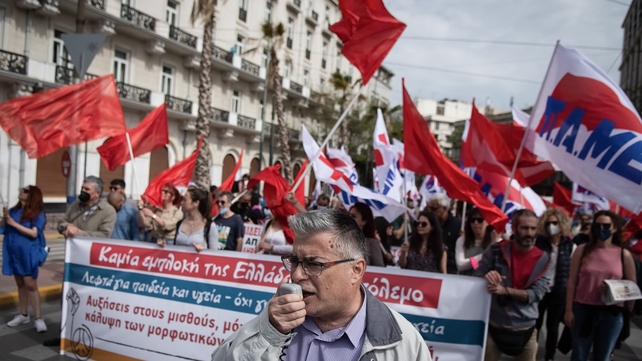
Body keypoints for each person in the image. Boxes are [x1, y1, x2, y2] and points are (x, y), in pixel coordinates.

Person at [210, 209, 431, 360]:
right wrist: (269, 332)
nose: (296, 275)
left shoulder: (403, 342)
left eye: (313, 264)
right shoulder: (277, 319)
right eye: (294, 261)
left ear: (356, 270)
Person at [475, 209, 553, 361]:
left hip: (526, 328)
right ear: (515, 228)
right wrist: (487, 277)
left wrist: (504, 290)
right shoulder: (495, 250)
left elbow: (537, 294)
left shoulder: (543, 259)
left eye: (533, 228)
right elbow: (477, 275)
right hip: (493, 326)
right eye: (524, 228)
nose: (529, 233)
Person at [564, 210, 636, 361]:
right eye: (598, 225)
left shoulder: (624, 254)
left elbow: (632, 286)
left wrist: (614, 288)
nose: (601, 229)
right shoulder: (582, 250)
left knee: (602, 357)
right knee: (579, 355)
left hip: (611, 313)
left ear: (614, 228)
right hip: (583, 310)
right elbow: (571, 281)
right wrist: (569, 310)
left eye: (606, 225)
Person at [2, 185, 47, 332]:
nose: (21, 191)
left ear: (33, 195)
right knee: (20, 282)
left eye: (26, 190)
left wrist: (14, 224)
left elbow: (34, 233)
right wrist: (5, 217)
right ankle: (23, 314)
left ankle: (39, 318)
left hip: (27, 252)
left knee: (30, 284)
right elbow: (3, 228)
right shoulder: (14, 211)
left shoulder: (37, 213)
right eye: (21, 189)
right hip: (12, 250)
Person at [534, 208, 574, 361]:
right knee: (535, 325)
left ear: (561, 224)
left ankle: (549, 357)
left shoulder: (569, 245)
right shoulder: (539, 243)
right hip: (540, 290)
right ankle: (532, 353)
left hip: (559, 292)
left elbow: (572, 272)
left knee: (553, 327)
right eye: (549, 223)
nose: (552, 226)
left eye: (555, 223)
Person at [172, 188, 218, 252]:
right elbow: (175, 248)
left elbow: (215, 254)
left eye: (185, 200)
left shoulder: (209, 226)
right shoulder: (180, 224)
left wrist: (203, 251)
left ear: (196, 203)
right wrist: (163, 247)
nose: (181, 203)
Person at [455, 207, 497, 276]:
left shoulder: (495, 242)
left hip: (485, 283)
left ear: (487, 222)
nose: (476, 223)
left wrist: (493, 245)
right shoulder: (462, 240)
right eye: (472, 220)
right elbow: (460, 265)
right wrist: (487, 253)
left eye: (480, 220)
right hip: (464, 281)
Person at [427, 193, 462, 274]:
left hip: (451, 270)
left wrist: (463, 240)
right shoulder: (429, 225)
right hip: (432, 269)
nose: (431, 212)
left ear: (444, 208)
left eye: (434, 209)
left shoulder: (458, 225)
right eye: (429, 209)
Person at [349, 202, 385, 267]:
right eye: (349, 215)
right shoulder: (341, 239)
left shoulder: (372, 243)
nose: (349, 218)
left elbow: (379, 268)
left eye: (353, 216)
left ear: (364, 221)